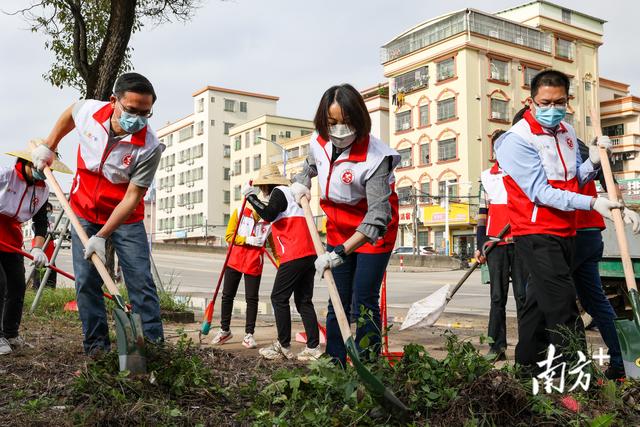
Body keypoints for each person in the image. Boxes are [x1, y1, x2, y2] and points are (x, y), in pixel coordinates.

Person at [495, 69, 627, 370]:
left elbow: (572, 180)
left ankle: (527, 371)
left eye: (559, 102)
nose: (552, 109)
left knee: (537, 307)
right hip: (536, 231)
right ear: (531, 101)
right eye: (545, 102)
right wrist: (593, 202)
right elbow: (541, 192)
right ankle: (581, 383)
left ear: (568, 101)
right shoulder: (516, 140)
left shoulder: (567, 133)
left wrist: (593, 159)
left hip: (567, 231)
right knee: (564, 308)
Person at [32, 72, 165, 355]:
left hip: (126, 219)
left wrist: (103, 235)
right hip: (82, 210)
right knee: (86, 283)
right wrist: (49, 145)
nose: (138, 119)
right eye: (132, 110)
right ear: (114, 101)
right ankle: (97, 349)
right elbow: (70, 112)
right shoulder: (90, 111)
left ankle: (152, 348)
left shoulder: (150, 146)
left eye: (146, 112)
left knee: (140, 283)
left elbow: (132, 198)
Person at [291, 83, 400, 366]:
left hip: (373, 233)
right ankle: (336, 364)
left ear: (359, 120)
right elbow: (312, 164)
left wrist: (339, 253)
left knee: (363, 298)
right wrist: (302, 180)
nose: (339, 129)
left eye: (346, 122)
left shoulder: (377, 158)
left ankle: (368, 363)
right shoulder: (319, 142)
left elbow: (378, 216)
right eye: (332, 123)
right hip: (339, 227)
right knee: (335, 297)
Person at [573, 138, 640, 379]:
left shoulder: (559, 146)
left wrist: (622, 209)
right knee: (595, 302)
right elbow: (610, 183)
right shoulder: (583, 147)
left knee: (552, 302)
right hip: (591, 233)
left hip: (570, 232)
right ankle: (620, 362)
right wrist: (622, 207)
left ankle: (575, 365)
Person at [242, 164, 322, 361]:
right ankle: (313, 347)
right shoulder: (290, 195)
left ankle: (283, 345)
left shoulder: (279, 191)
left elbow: (268, 213)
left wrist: (250, 197)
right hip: (309, 252)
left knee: (278, 297)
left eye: (262, 189)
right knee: (303, 300)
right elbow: (272, 213)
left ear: (266, 185)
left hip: (295, 253)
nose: (262, 192)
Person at [0, 141, 71, 355]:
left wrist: (38, 248)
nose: (45, 173)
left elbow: (40, 223)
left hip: (11, 238)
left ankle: (10, 333)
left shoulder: (43, 189)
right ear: (30, 161)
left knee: (17, 285)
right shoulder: (5, 175)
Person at [475, 130, 526, 361]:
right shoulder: (487, 177)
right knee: (497, 298)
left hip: (521, 242)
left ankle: (529, 347)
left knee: (523, 297)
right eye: (497, 146)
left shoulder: (523, 172)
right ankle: (497, 348)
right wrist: (480, 244)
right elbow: (482, 214)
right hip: (496, 245)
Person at [211, 200, 277, 349]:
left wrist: (281, 264)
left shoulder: (269, 222)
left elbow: (273, 246)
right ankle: (225, 330)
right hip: (234, 260)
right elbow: (229, 236)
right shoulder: (240, 213)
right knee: (227, 295)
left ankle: (249, 335)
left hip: (254, 263)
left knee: (252, 299)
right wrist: (248, 239)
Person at [32, 202, 57, 290]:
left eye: (49, 211)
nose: (47, 212)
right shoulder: (37, 224)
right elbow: (39, 234)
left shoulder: (51, 224)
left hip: (50, 253)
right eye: (46, 211)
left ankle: (51, 291)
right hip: (40, 251)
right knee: (38, 274)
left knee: (52, 274)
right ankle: (36, 291)